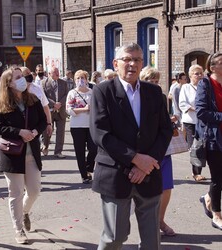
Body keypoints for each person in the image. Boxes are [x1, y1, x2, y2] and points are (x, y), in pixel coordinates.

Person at [89, 43, 172, 249]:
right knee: (115, 237)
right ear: (115, 64)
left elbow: (165, 131)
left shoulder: (155, 93)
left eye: (137, 60)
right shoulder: (102, 91)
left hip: (149, 175)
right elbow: (100, 134)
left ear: (142, 64)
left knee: (152, 241)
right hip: (116, 176)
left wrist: (147, 163)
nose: (132, 64)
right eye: (127, 59)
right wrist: (136, 159)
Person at [0, 67, 47, 244]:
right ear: (9, 83)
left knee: (34, 190)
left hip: (32, 152)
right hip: (12, 153)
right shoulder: (0, 104)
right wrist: (19, 132)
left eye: (22, 76)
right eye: (17, 77)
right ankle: (18, 229)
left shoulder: (32, 99)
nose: (22, 79)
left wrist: (34, 132)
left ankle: (24, 212)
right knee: (15, 193)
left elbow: (42, 121)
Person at [140, 66, 176, 236]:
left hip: (163, 149)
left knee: (166, 187)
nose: (154, 84)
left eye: (156, 81)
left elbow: (163, 122)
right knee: (146, 190)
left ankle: (160, 220)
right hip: (144, 151)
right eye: (150, 81)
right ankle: (149, 224)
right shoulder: (135, 97)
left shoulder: (161, 97)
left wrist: (170, 122)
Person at [196, 52, 222, 230]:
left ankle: (208, 197)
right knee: (217, 179)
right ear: (212, 67)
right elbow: (201, 112)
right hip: (214, 138)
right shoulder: (205, 84)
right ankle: (217, 214)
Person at [66, 70, 97, 184]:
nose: (80, 80)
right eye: (78, 78)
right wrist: (84, 109)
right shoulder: (72, 93)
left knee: (94, 148)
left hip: (90, 125)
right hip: (77, 126)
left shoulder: (92, 92)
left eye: (82, 78)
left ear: (87, 79)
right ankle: (84, 175)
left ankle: (89, 167)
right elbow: (69, 109)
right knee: (80, 151)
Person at [179, 64, 206, 182]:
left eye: (201, 73)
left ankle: (199, 170)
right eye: (196, 73)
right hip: (191, 121)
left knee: (204, 146)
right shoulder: (186, 88)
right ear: (190, 76)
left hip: (203, 121)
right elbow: (183, 103)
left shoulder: (205, 87)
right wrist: (196, 108)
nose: (199, 76)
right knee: (195, 147)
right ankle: (196, 173)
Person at [21, 67, 53, 148]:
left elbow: (45, 106)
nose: (30, 75)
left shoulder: (37, 88)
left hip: (36, 127)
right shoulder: (16, 90)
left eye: (30, 73)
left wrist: (49, 123)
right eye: (27, 74)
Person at [41, 66, 68, 158]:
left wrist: (60, 103)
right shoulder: (44, 83)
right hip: (49, 111)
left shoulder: (63, 83)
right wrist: (53, 104)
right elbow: (43, 96)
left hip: (61, 111)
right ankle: (45, 146)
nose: (57, 73)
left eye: (58, 71)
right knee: (47, 131)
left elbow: (66, 94)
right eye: (54, 72)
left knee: (61, 132)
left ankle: (58, 151)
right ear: (49, 74)